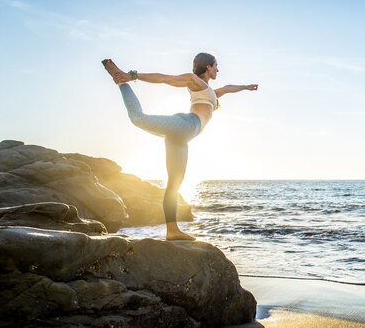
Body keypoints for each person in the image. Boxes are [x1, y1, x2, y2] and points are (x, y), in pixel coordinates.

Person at [102, 53, 258, 240]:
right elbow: (166, 79)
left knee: (174, 184)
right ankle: (121, 80)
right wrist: (132, 76)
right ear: (208, 67)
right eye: (216, 65)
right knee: (138, 119)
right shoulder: (195, 82)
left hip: (182, 138)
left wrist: (246, 87)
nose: (218, 69)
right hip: (186, 125)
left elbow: (227, 88)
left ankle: (172, 231)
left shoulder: (210, 92)